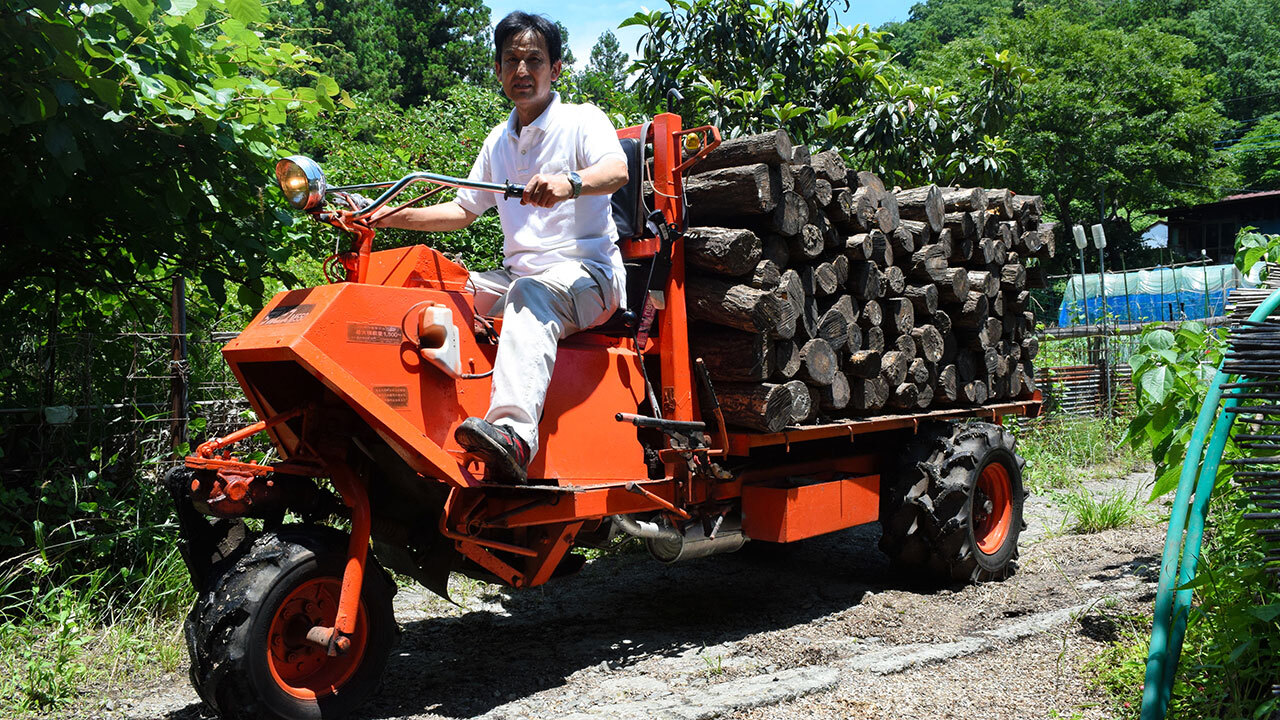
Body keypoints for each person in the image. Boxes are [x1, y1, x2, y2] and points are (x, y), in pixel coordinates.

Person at [370, 11, 629, 484]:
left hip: (588, 276)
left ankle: (513, 435)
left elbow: (617, 171)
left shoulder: (582, 120)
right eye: (512, 60)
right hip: (519, 279)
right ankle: (407, 429)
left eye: (534, 59)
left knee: (528, 293)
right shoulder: (497, 140)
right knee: (435, 289)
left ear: (556, 69)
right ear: (497, 70)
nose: (522, 71)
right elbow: (462, 211)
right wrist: (389, 216)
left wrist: (569, 182)